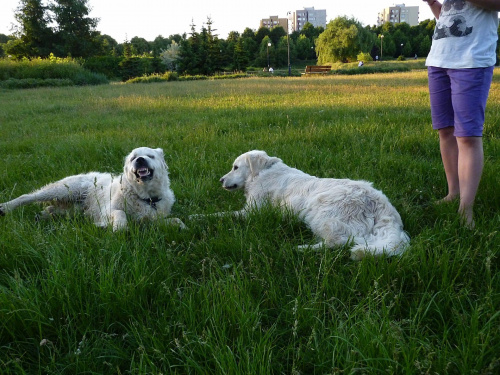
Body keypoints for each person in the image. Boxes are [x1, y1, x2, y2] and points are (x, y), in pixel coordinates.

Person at [424, 0, 500, 227]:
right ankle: (453, 193)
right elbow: (447, 19)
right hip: (439, 58)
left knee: (467, 136)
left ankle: (466, 210)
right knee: (445, 130)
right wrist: (431, 3)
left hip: (472, 60)